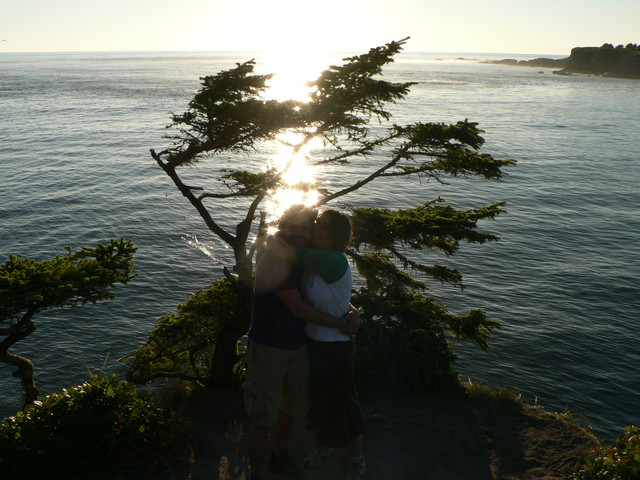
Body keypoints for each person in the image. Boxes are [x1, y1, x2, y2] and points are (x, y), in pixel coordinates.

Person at [244, 206, 359, 480]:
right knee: (262, 417)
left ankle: (280, 456)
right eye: (293, 227)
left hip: (298, 346)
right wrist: (340, 323)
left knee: (289, 408)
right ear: (283, 226)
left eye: (306, 228)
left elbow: (328, 291)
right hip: (270, 347)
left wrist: (353, 310)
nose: (299, 232)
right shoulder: (276, 258)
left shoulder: (305, 258)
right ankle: (255, 473)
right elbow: (299, 309)